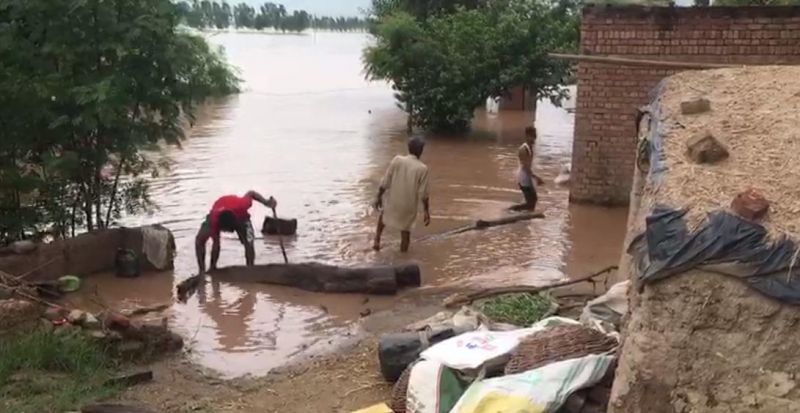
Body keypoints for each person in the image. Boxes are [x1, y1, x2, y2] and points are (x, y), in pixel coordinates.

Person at [195, 190, 277, 274]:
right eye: (226, 230)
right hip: (217, 214)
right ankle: (202, 271)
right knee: (199, 240)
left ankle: (250, 269)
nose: (229, 233)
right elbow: (216, 244)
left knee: (249, 241)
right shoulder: (213, 221)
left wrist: (266, 203)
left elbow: (251, 193)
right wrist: (212, 269)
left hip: (242, 217)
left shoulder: (244, 204)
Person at [373, 137, 431, 252]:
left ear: (409, 148)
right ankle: (403, 256)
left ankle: (377, 240)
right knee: (405, 231)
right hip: (409, 205)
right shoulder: (423, 168)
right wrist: (426, 211)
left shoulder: (397, 160)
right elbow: (423, 193)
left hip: (394, 200)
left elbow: (386, 181)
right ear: (420, 151)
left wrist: (378, 196)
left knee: (383, 218)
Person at [511, 126, 544, 211]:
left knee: (533, 200)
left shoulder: (529, 148)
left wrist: (533, 177)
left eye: (535, 136)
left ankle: (526, 215)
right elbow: (525, 167)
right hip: (523, 177)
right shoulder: (523, 149)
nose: (534, 139)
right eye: (532, 136)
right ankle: (511, 210)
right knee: (531, 201)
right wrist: (536, 178)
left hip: (527, 176)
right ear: (527, 136)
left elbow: (528, 166)